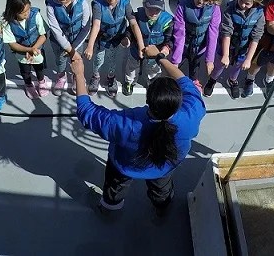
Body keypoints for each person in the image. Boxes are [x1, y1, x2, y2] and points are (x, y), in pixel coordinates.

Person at [73, 44, 207, 213]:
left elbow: (87, 112)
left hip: (125, 166)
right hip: (163, 168)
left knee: (115, 189)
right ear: (178, 101)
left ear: (147, 99)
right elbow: (184, 81)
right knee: (162, 191)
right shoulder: (191, 114)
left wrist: (78, 74)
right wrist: (159, 57)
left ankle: (110, 207)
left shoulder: (125, 123)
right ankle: (162, 207)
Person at [83, 0, 142, 97]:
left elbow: (134, 24)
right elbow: (96, 25)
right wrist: (90, 45)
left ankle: (111, 77)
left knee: (112, 60)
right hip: (102, 38)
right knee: (98, 59)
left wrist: (141, 45)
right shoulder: (97, 4)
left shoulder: (125, 3)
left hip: (116, 39)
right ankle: (95, 76)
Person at [207, 0, 265, 98]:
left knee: (237, 67)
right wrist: (226, 55)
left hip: (243, 49)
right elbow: (226, 32)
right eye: (241, 0)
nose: (242, 5)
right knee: (219, 65)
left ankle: (232, 80)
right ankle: (212, 80)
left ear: (255, 2)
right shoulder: (230, 9)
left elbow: (256, 37)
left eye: (247, 3)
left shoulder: (259, 14)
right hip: (227, 45)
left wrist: (248, 59)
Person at [171, 0, 222, 92]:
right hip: (184, 44)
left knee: (195, 65)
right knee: (175, 66)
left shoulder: (215, 9)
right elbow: (179, 33)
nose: (201, 2)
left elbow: (213, 34)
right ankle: (173, 80)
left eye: (206, 1)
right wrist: (175, 61)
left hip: (200, 46)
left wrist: (210, 60)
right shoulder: (183, 5)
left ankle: (193, 80)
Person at [45, 0, 92, 92]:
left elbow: (86, 27)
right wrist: (68, 48)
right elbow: (55, 29)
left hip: (78, 41)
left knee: (76, 59)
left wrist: (74, 49)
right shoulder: (51, 5)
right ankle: (61, 76)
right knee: (60, 60)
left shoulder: (83, 3)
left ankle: (76, 76)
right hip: (58, 42)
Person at [123, 0, 174, 96]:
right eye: (150, 8)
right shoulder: (137, 16)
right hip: (136, 49)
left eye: (157, 10)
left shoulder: (167, 22)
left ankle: (152, 83)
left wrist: (166, 48)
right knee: (132, 66)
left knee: (154, 69)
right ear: (144, 5)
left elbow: (169, 39)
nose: (153, 12)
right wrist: (127, 38)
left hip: (155, 52)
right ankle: (130, 82)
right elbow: (130, 30)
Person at [2, 0, 49, 98]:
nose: (27, 14)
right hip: (21, 54)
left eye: (28, 10)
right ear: (13, 12)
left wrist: (34, 48)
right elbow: (12, 44)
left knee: (39, 68)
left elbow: (43, 35)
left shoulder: (35, 15)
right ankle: (28, 84)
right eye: (23, 13)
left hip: (37, 50)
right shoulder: (7, 24)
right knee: (25, 71)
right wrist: (27, 50)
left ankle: (41, 81)